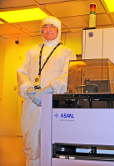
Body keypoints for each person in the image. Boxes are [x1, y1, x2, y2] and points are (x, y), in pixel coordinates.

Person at [17, 16, 76, 166]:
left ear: (59, 30)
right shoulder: (31, 52)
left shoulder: (67, 52)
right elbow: (21, 73)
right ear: (41, 30)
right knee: (31, 143)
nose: (48, 29)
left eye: (52, 27)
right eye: (45, 27)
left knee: (54, 142)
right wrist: (30, 90)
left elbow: (68, 76)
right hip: (32, 104)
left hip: (54, 103)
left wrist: (46, 90)